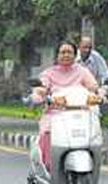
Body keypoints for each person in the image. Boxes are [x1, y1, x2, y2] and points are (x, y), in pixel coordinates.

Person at [30, 42, 98, 172]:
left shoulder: (82, 71)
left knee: (93, 132)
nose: (66, 55)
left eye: (69, 52)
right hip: (55, 113)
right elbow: (41, 87)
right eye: (63, 52)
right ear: (57, 55)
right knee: (47, 132)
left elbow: (93, 86)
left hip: (80, 113)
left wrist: (100, 93)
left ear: (75, 55)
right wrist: (40, 93)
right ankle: (49, 165)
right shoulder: (49, 73)